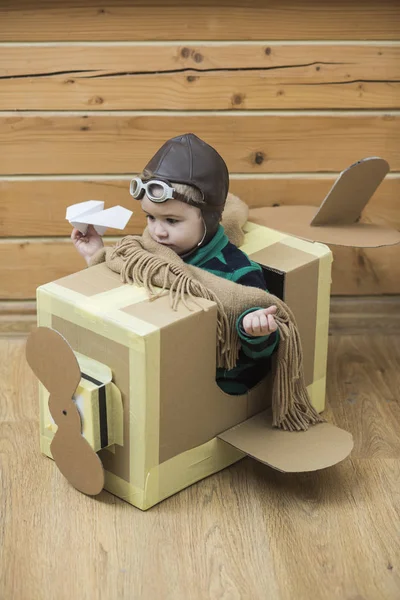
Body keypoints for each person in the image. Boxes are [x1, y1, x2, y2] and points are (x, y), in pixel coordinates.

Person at [71, 133, 279, 395]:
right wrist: (95, 255)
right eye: (151, 217)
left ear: (209, 218)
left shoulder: (238, 274)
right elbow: (123, 278)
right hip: (161, 364)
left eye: (171, 221)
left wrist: (256, 330)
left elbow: (265, 351)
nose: (158, 232)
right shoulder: (152, 250)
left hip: (218, 381)